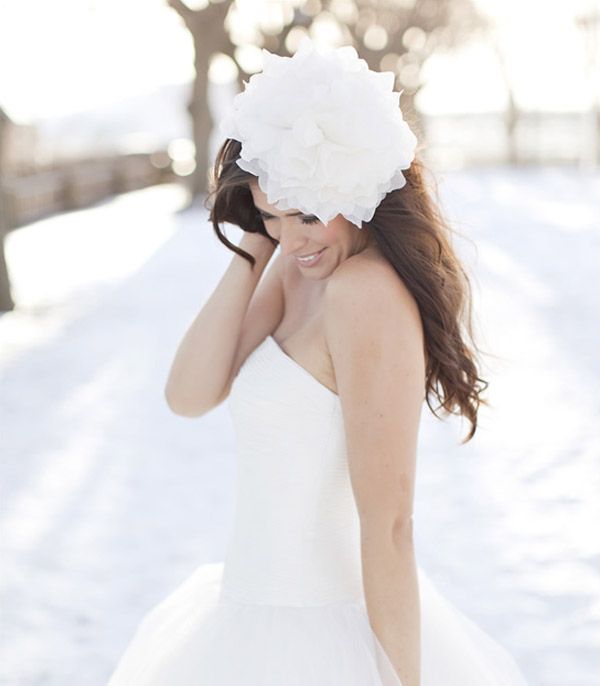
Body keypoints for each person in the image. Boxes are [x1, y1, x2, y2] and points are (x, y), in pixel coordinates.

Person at [106, 37, 530, 685]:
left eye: (307, 213)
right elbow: (188, 394)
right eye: (273, 215)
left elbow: (389, 525)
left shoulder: (363, 294)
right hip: (245, 617)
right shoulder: (299, 268)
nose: (292, 238)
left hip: (318, 639)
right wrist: (257, 237)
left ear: (355, 188)